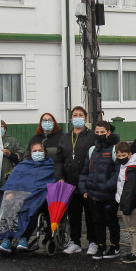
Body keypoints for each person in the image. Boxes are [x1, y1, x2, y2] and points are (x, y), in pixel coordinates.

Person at [53, 106, 99, 255]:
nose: (77, 117)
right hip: (69, 181)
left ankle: (93, 242)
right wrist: (59, 177)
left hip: (87, 181)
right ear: (71, 118)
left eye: (80, 115)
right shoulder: (65, 138)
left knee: (91, 213)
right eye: (75, 115)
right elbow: (59, 160)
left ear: (85, 118)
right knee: (74, 214)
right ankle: (75, 242)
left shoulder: (92, 136)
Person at [0, 142, 56, 253]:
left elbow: (52, 184)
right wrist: (9, 193)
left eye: (40, 151)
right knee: (10, 207)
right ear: (30, 153)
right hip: (21, 197)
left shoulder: (51, 166)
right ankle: (7, 240)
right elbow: (13, 181)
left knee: (33, 208)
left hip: (38, 198)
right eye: (34, 151)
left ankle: (24, 238)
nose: (37, 153)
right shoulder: (23, 166)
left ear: (45, 152)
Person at [79, 121, 122, 260]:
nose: (99, 135)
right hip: (93, 194)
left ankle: (115, 247)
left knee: (111, 221)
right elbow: (85, 171)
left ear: (108, 132)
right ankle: (101, 246)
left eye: (102, 132)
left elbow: (118, 171)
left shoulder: (114, 149)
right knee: (98, 222)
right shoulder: (92, 150)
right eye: (96, 132)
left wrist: (108, 186)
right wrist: (84, 188)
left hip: (109, 194)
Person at [114, 141, 136, 264]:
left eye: (123, 156)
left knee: (133, 229)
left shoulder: (131, 170)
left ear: (129, 154)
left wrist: (127, 205)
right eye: (118, 156)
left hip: (131, 204)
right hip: (127, 202)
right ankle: (134, 251)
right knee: (131, 229)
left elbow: (130, 189)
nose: (121, 159)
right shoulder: (127, 167)